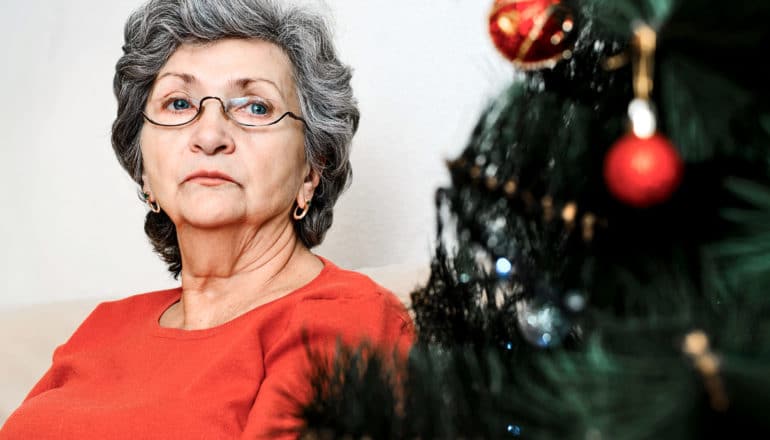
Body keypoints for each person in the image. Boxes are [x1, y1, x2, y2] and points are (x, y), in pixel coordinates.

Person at [0, 0, 414, 438]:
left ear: (312, 169)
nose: (210, 136)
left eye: (255, 107)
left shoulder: (346, 320)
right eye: (179, 103)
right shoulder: (103, 327)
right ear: (143, 169)